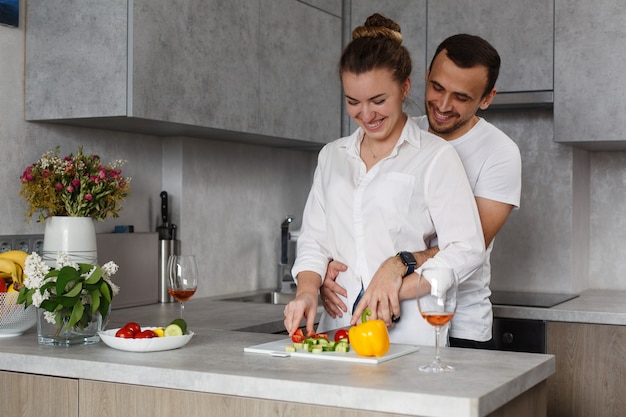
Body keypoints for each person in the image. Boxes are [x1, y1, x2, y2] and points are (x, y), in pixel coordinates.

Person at [282, 14, 485, 346]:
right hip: (338, 329)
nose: (366, 114)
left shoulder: (435, 156)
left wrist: (394, 288)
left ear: (404, 87)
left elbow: (466, 248)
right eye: (353, 102)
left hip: (412, 336)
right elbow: (314, 241)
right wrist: (306, 291)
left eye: (378, 101)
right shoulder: (332, 156)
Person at [321, 34, 522, 348]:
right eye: (437, 87)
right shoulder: (400, 132)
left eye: (461, 97)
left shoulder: (500, 154)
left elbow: (466, 248)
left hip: (460, 324)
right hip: (397, 321)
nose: (442, 105)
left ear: (486, 98)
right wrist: (335, 267)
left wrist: (396, 267)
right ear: (423, 78)